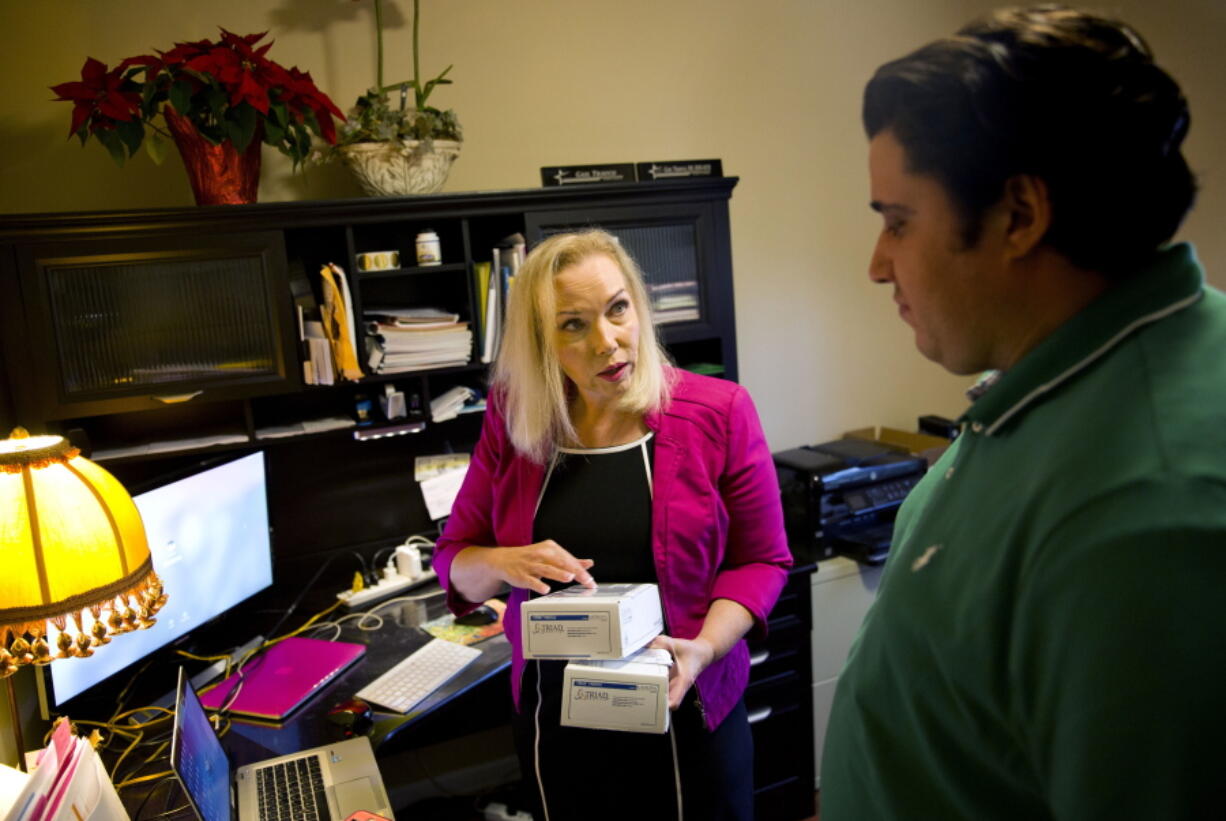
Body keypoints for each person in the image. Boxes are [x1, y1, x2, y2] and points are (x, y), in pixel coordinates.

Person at [819, 5, 1226, 819]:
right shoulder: (1059, 376)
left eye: (898, 222)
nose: (876, 264)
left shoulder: (1147, 518)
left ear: (1019, 215)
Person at [432, 229, 791, 821]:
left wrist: (703, 649)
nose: (607, 342)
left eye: (618, 309)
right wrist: (502, 562)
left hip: (685, 710)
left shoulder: (719, 412)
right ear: (542, 339)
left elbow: (761, 560)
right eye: (573, 324)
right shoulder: (514, 420)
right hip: (559, 729)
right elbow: (456, 561)